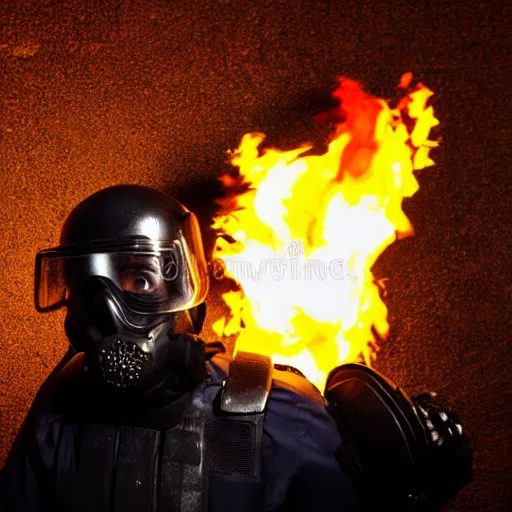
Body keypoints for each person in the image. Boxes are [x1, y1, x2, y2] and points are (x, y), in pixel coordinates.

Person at [0, 185, 472, 512]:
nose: (107, 312)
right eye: (87, 287)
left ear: (189, 292)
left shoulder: (277, 415)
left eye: (139, 279)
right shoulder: (56, 419)